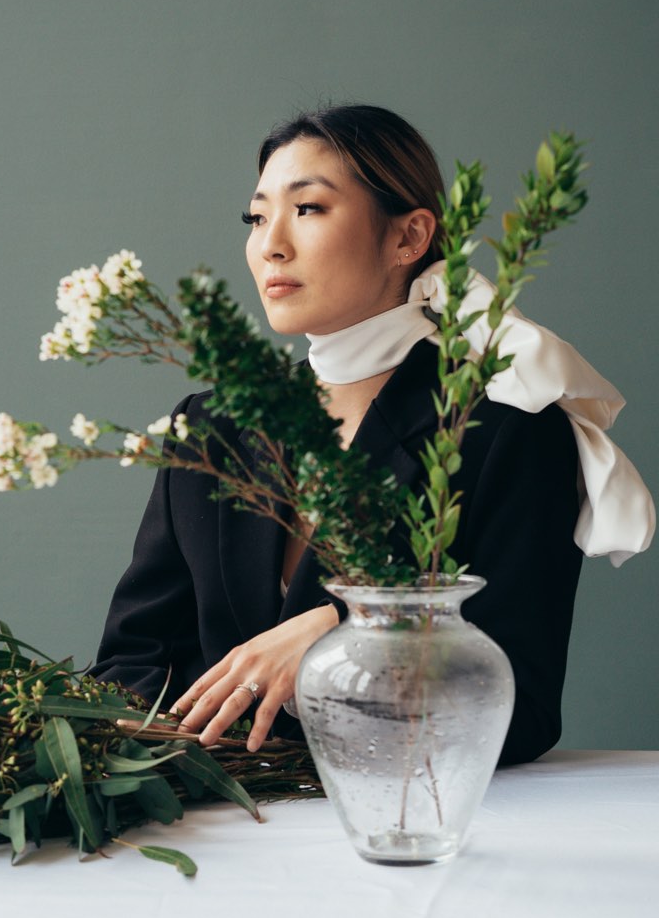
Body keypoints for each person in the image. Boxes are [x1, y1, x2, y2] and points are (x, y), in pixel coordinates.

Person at [89, 105, 641, 765]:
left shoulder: (506, 429)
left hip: (411, 812)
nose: (271, 244)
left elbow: (523, 709)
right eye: (256, 217)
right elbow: (129, 664)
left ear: (409, 236)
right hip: (228, 812)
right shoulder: (214, 427)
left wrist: (345, 639)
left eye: (309, 208)